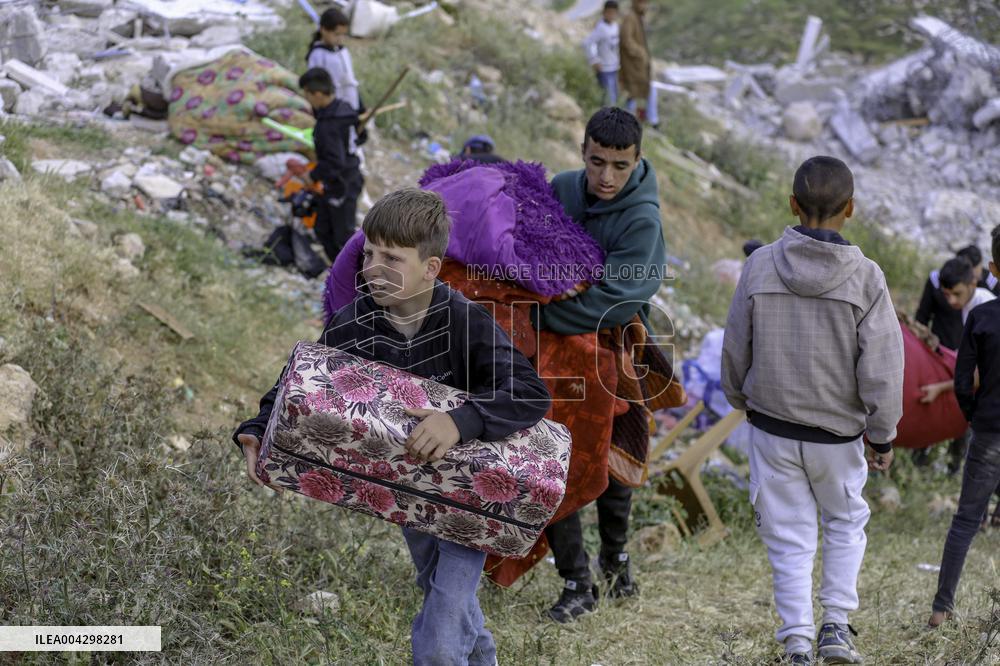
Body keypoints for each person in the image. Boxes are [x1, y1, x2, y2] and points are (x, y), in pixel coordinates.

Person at [233, 189, 552, 666]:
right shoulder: (355, 322)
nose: (374, 269)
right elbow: (303, 381)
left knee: (442, 637)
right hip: (408, 489)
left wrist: (461, 420)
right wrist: (259, 426)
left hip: (471, 499)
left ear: (431, 268)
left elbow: (531, 392)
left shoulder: (465, 321)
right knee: (447, 598)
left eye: (393, 258)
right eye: (370, 254)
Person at [721, 156, 904, 664]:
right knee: (845, 524)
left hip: (773, 428)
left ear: (792, 205)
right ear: (851, 209)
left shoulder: (759, 265)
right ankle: (836, 627)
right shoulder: (867, 278)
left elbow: (736, 346)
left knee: (787, 536)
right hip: (838, 437)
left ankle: (797, 639)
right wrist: (882, 434)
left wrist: (741, 398)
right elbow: (884, 368)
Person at [534, 107, 668, 622]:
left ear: (636, 160)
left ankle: (615, 560)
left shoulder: (642, 219)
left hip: (614, 351)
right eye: (596, 162)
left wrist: (542, 312)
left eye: (619, 164)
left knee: (610, 456)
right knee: (552, 453)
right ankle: (577, 581)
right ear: (582, 152)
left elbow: (616, 298)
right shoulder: (563, 189)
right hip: (549, 356)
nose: (606, 177)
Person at [928, 227, 1000, 629]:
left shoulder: (982, 316)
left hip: (989, 431)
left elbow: (961, 378)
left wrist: (974, 416)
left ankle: (941, 610)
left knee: (966, 521)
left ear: (991, 269)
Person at [299, 67, 365, 263]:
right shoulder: (344, 110)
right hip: (341, 180)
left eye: (307, 95)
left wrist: (313, 175)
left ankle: (361, 283)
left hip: (342, 184)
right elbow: (361, 137)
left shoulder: (329, 124)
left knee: (343, 237)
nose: (307, 100)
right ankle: (341, 275)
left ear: (318, 94)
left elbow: (335, 161)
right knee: (322, 229)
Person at [306, 7, 361, 112]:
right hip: (331, 110)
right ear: (323, 30)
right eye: (336, 34)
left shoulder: (343, 51)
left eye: (343, 35)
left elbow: (350, 81)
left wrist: (360, 107)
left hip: (350, 104)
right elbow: (316, 86)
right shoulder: (317, 54)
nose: (340, 38)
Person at [619, 0, 658, 129]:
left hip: (638, 65)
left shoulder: (638, 17)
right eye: (642, 3)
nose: (644, 6)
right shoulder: (630, 17)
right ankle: (647, 121)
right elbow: (626, 40)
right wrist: (640, 53)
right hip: (633, 66)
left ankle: (637, 121)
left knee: (637, 93)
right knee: (635, 92)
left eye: (646, 3)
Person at [583, 1, 621, 105]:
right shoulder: (600, 28)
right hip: (604, 68)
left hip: (614, 67)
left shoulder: (615, 26)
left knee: (614, 95)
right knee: (608, 98)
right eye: (609, 12)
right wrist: (594, 60)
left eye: (613, 13)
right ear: (604, 12)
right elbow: (588, 43)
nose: (611, 15)